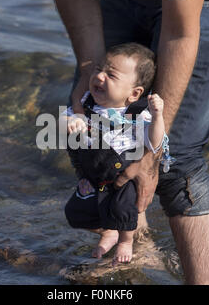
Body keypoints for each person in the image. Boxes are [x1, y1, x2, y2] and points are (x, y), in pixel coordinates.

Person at [51, 0, 209, 284]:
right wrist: (90, 73)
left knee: (175, 156)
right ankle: (139, 249)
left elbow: (181, 33)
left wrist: (153, 152)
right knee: (94, 120)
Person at [61, 43, 171, 265]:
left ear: (134, 93)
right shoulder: (86, 103)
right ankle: (108, 231)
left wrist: (158, 117)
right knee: (75, 213)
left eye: (110, 74)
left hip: (123, 173)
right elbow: (63, 119)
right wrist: (70, 121)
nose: (99, 76)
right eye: (98, 69)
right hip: (93, 173)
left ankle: (125, 240)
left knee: (123, 208)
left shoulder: (138, 115)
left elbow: (155, 143)